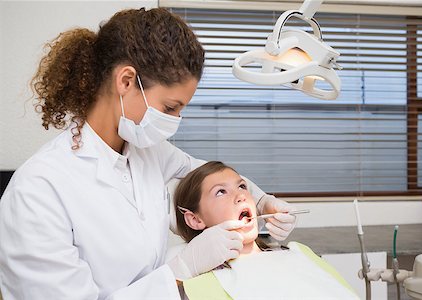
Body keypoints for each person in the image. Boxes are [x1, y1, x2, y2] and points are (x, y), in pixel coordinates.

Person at [0, 7, 297, 300]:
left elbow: (215, 176)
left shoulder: (148, 151)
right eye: (170, 108)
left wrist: (263, 201)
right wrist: (181, 269)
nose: (176, 120)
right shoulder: (38, 190)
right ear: (126, 81)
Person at [173, 161, 359, 300]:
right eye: (220, 191)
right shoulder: (196, 287)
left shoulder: (300, 253)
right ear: (195, 219)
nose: (241, 196)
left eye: (242, 186)